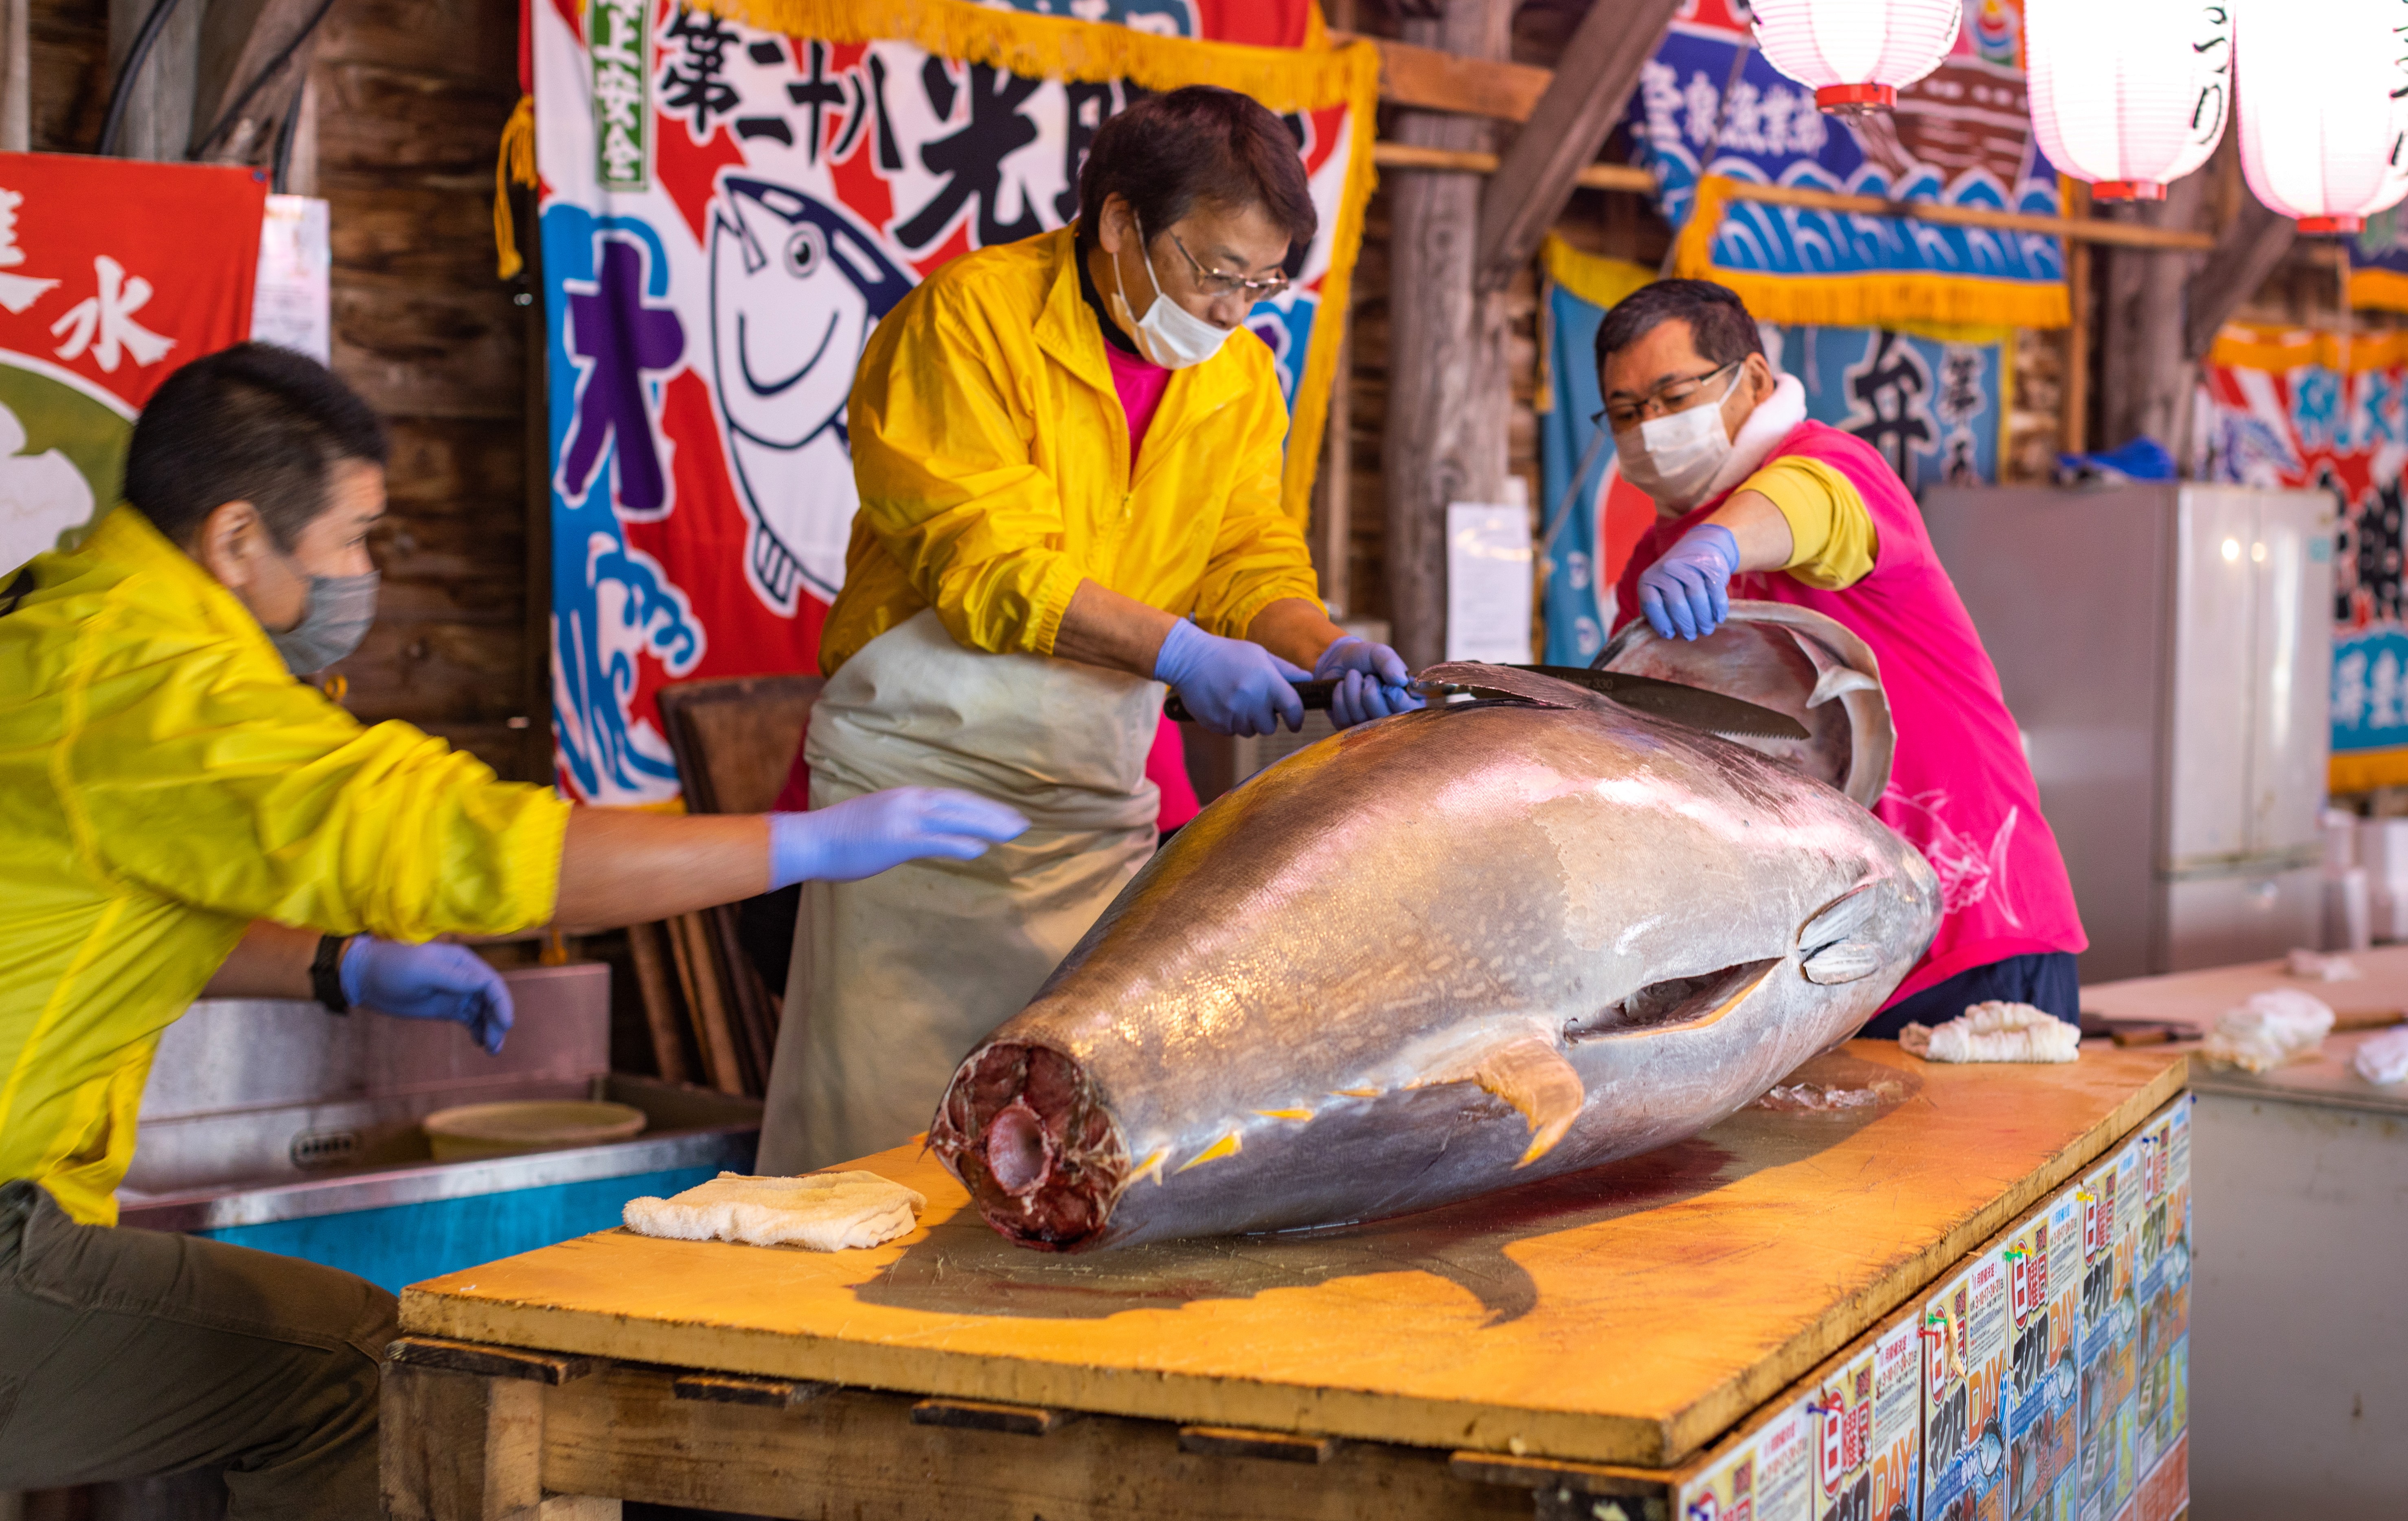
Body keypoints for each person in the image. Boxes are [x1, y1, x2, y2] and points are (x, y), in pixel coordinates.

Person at [0, 343, 1026, 1518]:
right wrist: (802, 843)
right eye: (351, 539)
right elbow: (467, 841)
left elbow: (99, 914)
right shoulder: (154, 685)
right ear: (237, 538)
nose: (363, 573)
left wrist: (340, 965)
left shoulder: (52, 617)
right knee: (359, 1367)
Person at [759, 86, 1417, 1172]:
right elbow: (986, 562)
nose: (1234, 310)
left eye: (1263, 283)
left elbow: (1244, 554)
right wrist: (1178, 653)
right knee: (879, 1143)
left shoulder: (1239, 375)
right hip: (920, 787)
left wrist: (1319, 644)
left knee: (1073, 1126)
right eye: (1215, 272)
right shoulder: (967, 320)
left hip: (1091, 787)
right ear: (1119, 222)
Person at [1597, 280, 2087, 1037]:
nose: (1651, 427)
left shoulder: (1834, 466)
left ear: (1753, 379)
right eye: (1627, 412)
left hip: (1972, 930)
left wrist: (1720, 543)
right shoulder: (1652, 564)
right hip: (1831, 958)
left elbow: (1811, 505)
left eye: (1673, 396)